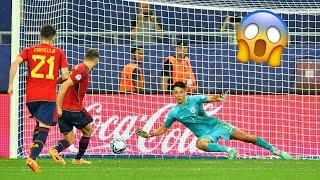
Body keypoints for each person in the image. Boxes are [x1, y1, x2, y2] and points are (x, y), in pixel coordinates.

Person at [136, 82, 292, 160]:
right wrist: (149, 135)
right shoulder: (173, 112)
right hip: (206, 134)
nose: (178, 95)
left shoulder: (194, 99)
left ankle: (277, 151)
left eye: (181, 92)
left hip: (217, 125)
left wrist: (219, 98)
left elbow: (210, 98)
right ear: (173, 94)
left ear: (185, 92)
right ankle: (229, 151)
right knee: (200, 144)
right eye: (175, 93)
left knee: (248, 138)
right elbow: (164, 129)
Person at [8, 24, 69, 172]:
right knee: (44, 128)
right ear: (54, 37)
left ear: (39, 35)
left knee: (39, 126)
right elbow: (66, 75)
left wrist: (10, 84)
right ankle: (32, 158)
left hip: (31, 98)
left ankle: (32, 154)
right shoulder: (59, 52)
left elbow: (15, 62)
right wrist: (57, 80)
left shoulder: (29, 50)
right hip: (47, 96)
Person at [48, 49, 99, 165]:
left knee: (69, 139)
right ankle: (77, 159)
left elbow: (64, 78)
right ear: (96, 60)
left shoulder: (78, 68)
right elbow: (65, 85)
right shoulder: (82, 70)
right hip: (73, 109)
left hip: (65, 111)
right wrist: (58, 106)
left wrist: (53, 82)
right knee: (88, 130)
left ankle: (55, 150)